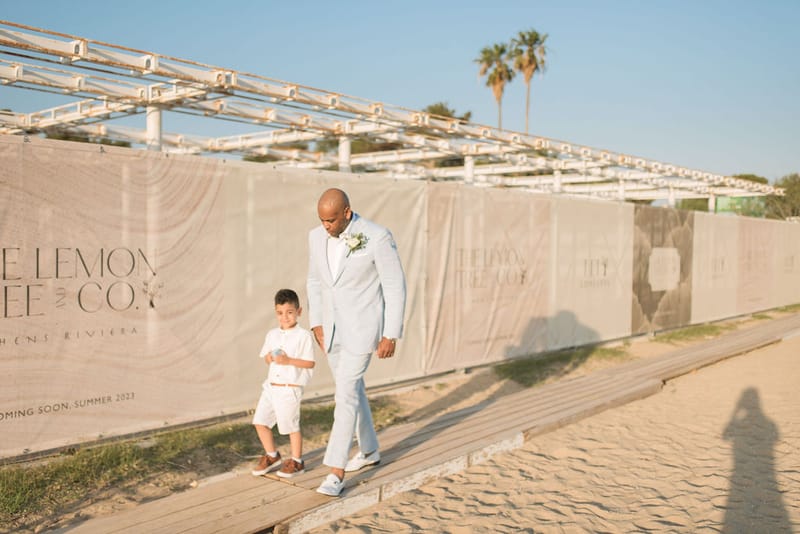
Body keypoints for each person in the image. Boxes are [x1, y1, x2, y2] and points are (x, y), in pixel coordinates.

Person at [307, 188, 407, 497]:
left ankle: (335, 472)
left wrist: (390, 333)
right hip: (331, 332)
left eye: (332, 220)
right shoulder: (315, 237)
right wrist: (316, 323)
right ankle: (370, 450)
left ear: (347, 212)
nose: (327, 226)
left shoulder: (377, 236)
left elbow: (394, 286)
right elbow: (314, 280)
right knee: (352, 389)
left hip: (363, 331)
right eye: (322, 220)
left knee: (345, 395)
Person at [251, 288, 316, 479]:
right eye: (280, 313)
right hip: (271, 387)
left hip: (289, 389)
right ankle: (272, 456)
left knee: (290, 426)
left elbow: (310, 363)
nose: (285, 317)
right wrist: (271, 357)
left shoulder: (303, 336)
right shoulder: (272, 334)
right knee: (260, 422)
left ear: (299, 312)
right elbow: (266, 358)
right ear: (275, 312)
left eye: (289, 312)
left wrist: (288, 361)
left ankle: (297, 461)